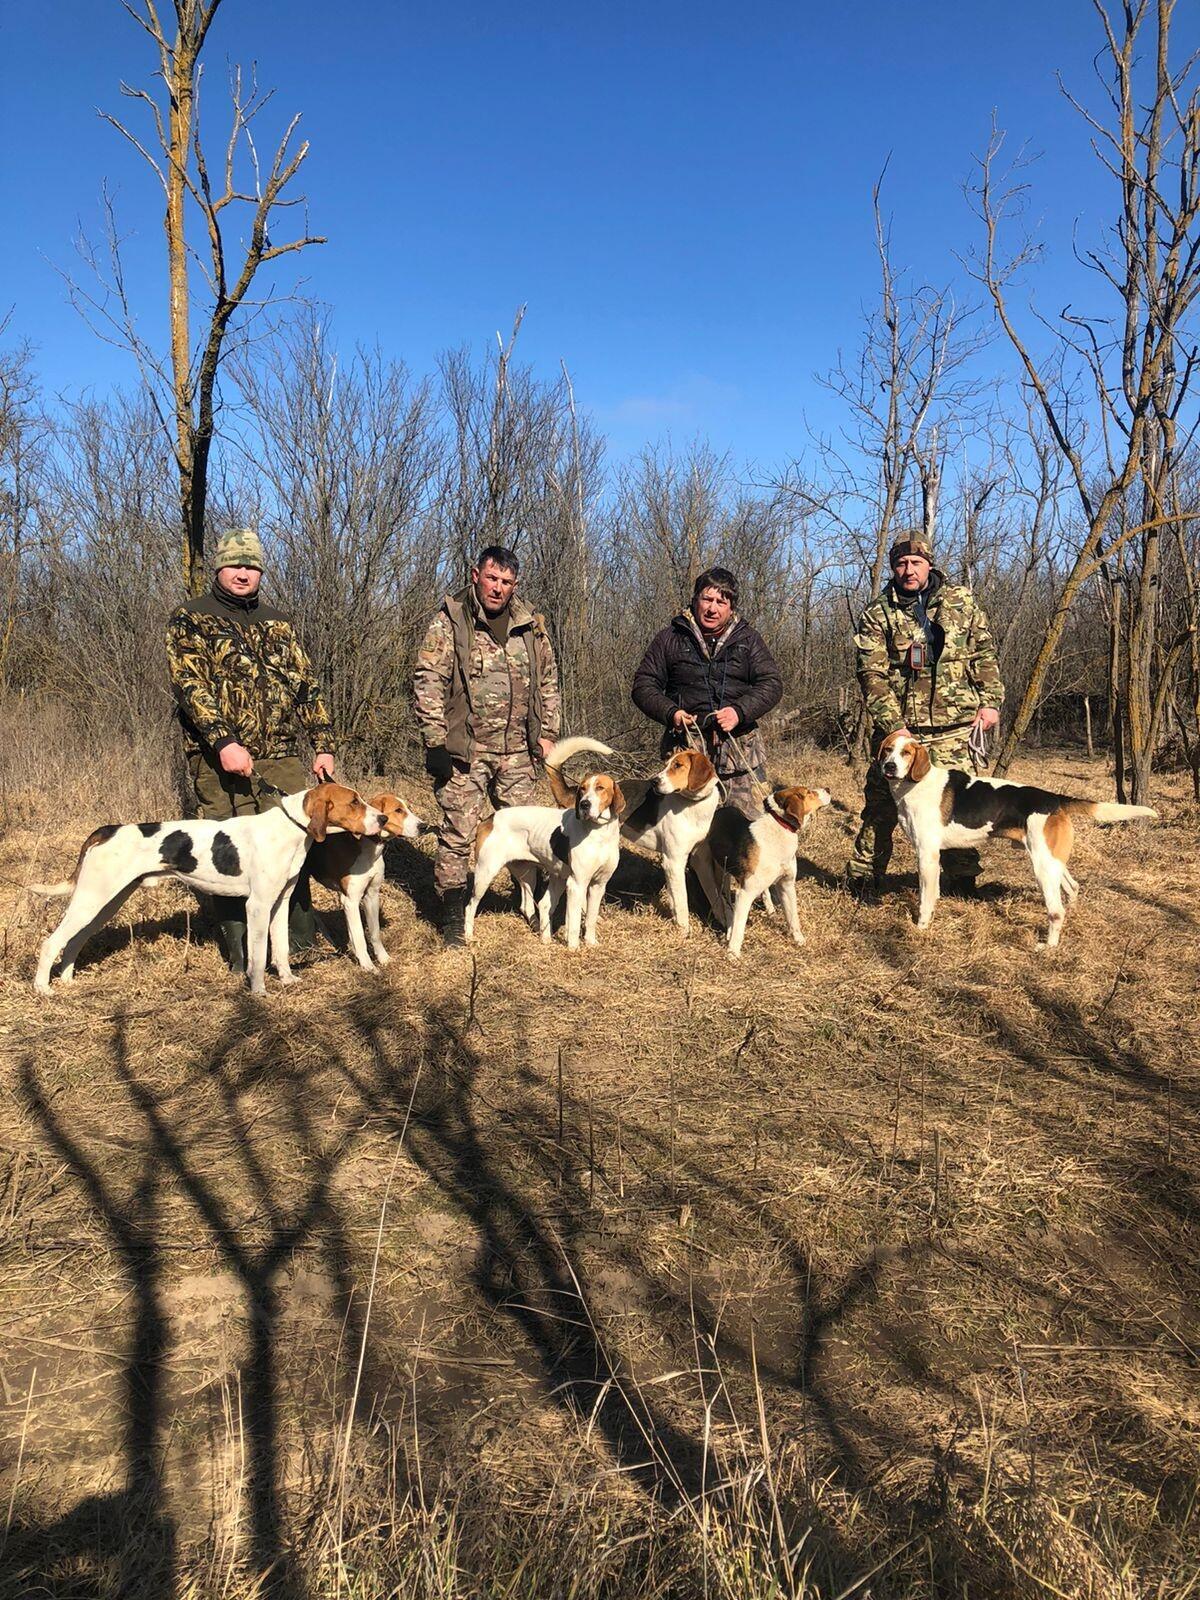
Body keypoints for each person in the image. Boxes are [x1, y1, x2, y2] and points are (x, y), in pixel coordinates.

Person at [165, 526, 336, 970]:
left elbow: (305, 684)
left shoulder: (277, 621)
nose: (243, 572)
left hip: (278, 756)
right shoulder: (191, 617)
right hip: (218, 758)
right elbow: (190, 685)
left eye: (251, 565)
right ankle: (243, 955)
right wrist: (223, 741)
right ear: (219, 567)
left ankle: (297, 946)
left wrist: (322, 744)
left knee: (293, 845)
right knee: (227, 853)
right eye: (235, 564)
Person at [413, 545, 561, 944]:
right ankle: (452, 912)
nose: (498, 588)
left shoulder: (530, 625)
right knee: (459, 832)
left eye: (507, 582)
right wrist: (435, 742)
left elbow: (548, 681)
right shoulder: (451, 621)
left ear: (515, 585)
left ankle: (530, 903)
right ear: (476, 574)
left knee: (528, 830)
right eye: (492, 579)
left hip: (518, 751)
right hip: (467, 750)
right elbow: (429, 679)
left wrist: (547, 732)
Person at [846, 533, 1004, 897]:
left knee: (959, 806)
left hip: (954, 726)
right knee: (881, 808)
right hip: (902, 730)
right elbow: (871, 674)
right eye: (901, 564)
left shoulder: (960, 602)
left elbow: (984, 653)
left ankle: (962, 880)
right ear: (893, 568)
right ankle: (863, 878)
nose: (908, 570)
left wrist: (990, 701)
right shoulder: (878, 613)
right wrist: (893, 725)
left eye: (916, 563)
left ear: (929, 564)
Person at [631, 567, 783, 819]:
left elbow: (772, 683)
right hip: (685, 755)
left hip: (737, 752)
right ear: (695, 600)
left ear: (731, 607)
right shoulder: (670, 638)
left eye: (721, 602)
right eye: (707, 599)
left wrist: (740, 711)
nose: (713, 608)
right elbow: (643, 685)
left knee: (740, 827)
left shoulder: (749, 640)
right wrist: (672, 713)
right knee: (685, 831)